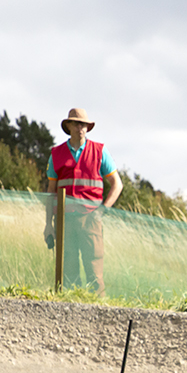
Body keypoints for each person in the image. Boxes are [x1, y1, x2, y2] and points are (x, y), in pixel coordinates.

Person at [43, 108, 123, 291]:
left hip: (91, 219)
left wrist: (102, 211)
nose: (81, 128)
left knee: (94, 268)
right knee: (68, 269)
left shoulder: (100, 151)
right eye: (77, 123)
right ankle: (69, 308)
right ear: (68, 126)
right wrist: (48, 224)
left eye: (84, 124)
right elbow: (51, 192)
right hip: (64, 221)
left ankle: (98, 309)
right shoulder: (56, 154)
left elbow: (117, 185)